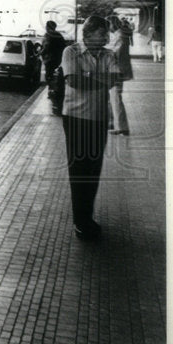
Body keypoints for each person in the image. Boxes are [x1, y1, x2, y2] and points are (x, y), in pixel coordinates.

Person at [60, 15, 122, 241]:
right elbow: (74, 81)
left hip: (98, 120)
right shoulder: (71, 52)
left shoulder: (109, 54)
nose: (107, 37)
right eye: (102, 33)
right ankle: (80, 221)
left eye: (107, 33)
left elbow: (116, 78)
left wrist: (89, 76)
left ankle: (87, 217)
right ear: (88, 33)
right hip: (75, 119)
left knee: (93, 170)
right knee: (79, 171)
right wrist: (99, 78)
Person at [106, 15, 133, 135]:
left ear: (113, 24)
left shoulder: (120, 35)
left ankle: (122, 127)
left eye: (109, 25)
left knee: (116, 98)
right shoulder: (120, 34)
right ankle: (116, 124)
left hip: (117, 71)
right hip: (118, 70)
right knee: (114, 98)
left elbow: (115, 53)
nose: (108, 28)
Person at [41, 20, 67, 115]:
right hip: (58, 60)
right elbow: (64, 47)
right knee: (56, 77)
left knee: (49, 76)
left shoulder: (48, 35)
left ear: (48, 27)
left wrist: (40, 53)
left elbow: (46, 47)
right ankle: (53, 92)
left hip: (50, 60)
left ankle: (51, 92)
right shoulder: (59, 35)